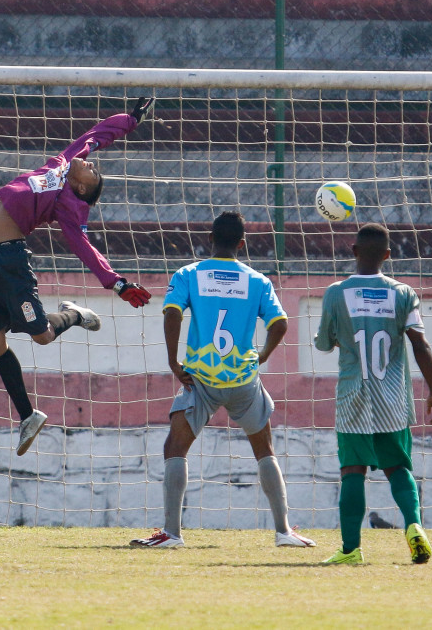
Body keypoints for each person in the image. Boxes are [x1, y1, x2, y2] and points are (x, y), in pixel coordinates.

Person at [0, 97, 154, 455]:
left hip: (10, 261)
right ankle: (27, 416)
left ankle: (74, 314)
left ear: (84, 188)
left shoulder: (70, 205)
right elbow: (96, 136)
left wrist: (116, 283)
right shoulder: (63, 163)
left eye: (92, 171)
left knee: (41, 335)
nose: (90, 163)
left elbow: (84, 247)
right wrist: (130, 120)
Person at [130, 211, 315, 549]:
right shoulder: (258, 281)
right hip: (243, 378)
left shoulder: (189, 274)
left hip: (199, 377)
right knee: (264, 449)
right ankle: (284, 532)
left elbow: (172, 312)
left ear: (209, 239)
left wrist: (173, 361)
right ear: (242, 244)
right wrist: (262, 356)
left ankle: (172, 533)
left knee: (175, 447)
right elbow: (280, 324)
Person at [314, 223, 432, 565]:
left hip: (353, 397)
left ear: (354, 252)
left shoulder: (336, 292)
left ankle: (351, 550)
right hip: (393, 399)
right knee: (399, 468)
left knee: (352, 470)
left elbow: (324, 342)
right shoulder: (403, 293)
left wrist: (344, 336)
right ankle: (414, 526)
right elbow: (420, 343)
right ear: (388, 255)